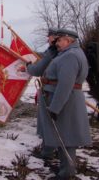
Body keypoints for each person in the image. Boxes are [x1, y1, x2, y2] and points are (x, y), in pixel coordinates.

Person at [40, 29, 92, 179]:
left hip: (65, 102)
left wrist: (55, 108)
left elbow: (65, 86)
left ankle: (66, 173)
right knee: (64, 135)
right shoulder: (70, 53)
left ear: (68, 40)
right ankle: (65, 170)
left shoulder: (70, 56)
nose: (57, 43)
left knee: (66, 138)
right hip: (67, 100)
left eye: (59, 40)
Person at [27, 27, 59, 159]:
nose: (48, 39)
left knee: (48, 122)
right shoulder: (63, 51)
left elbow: (37, 70)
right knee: (53, 123)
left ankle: (47, 152)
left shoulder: (53, 51)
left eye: (50, 36)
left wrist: (29, 66)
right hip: (55, 89)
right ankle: (49, 150)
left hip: (51, 91)